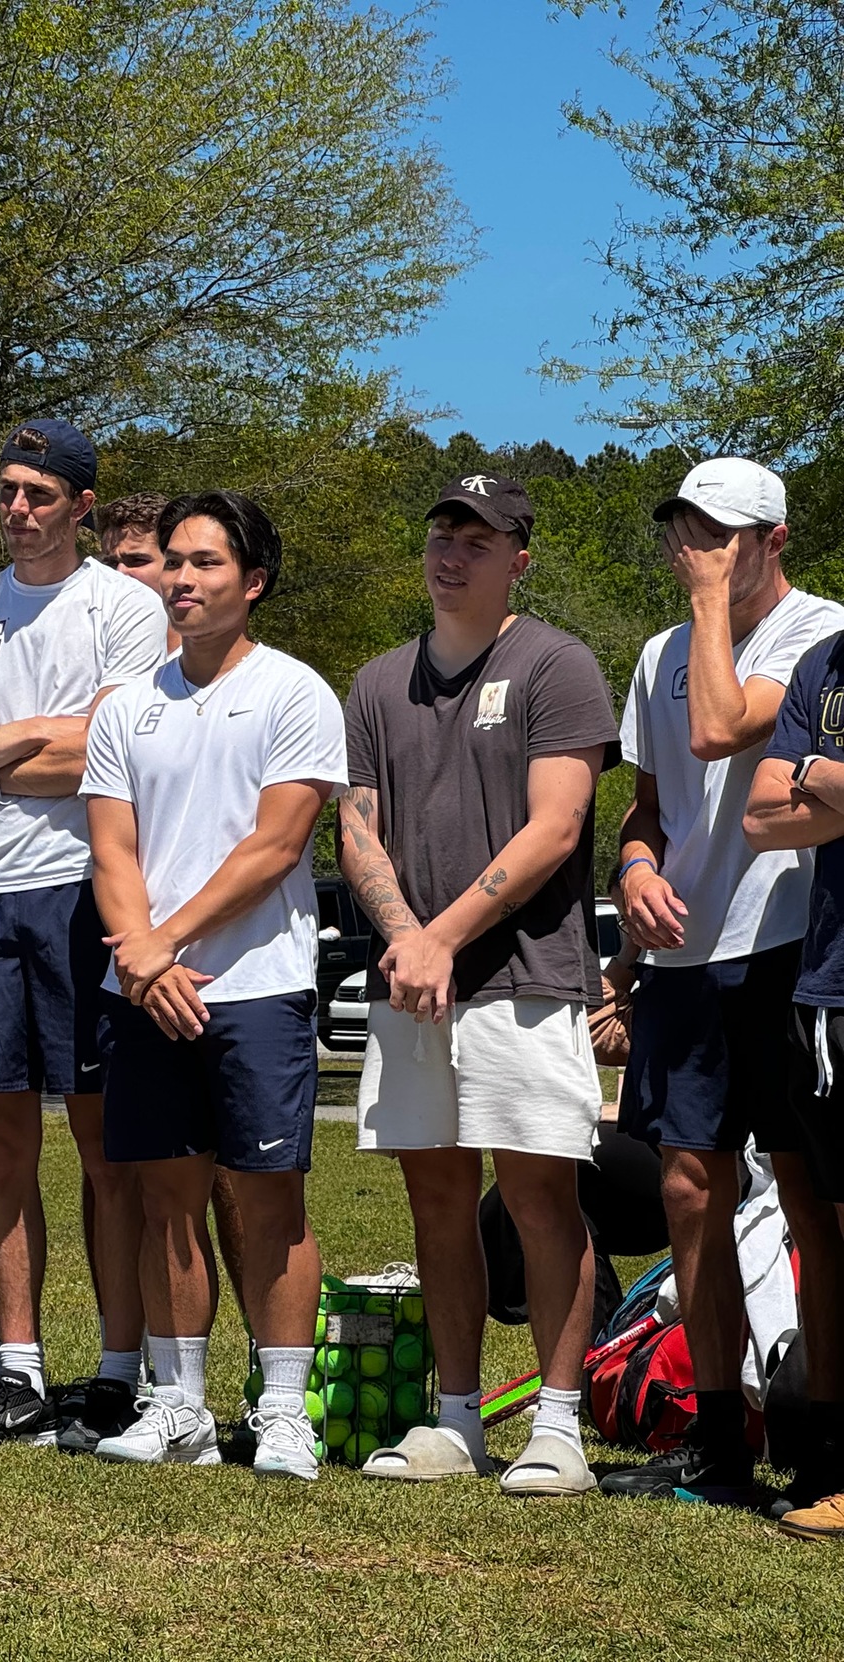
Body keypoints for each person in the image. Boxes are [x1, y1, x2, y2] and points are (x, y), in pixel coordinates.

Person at [337, 473, 614, 1493]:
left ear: (518, 560)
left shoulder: (558, 664)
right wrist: (410, 939)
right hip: (418, 982)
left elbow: (558, 827)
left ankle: (559, 1427)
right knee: (437, 1199)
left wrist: (444, 935)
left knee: (540, 1197)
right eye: (441, 533)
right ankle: (456, 1422)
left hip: (526, 978)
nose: (452, 553)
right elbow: (357, 820)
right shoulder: (374, 683)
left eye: (479, 540)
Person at [0, 419, 170, 1443]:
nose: (17, 510)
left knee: (104, 1145)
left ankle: (115, 1367)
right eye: (7, 490)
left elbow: (114, 747)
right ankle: (17, 1370)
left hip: (81, 889)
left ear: (82, 506)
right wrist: (29, 744)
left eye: (39, 494)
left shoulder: (125, 607)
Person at [82, 490, 344, 1478]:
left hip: (256, 988)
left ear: (253, 582)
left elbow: (275, 846)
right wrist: (140, 959)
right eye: (174, 564)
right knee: (164, 1203)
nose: (183, 582)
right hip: (145, 992)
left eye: (207, 564)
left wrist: (161, 944)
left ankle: (282, 1410)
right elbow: (112, 850)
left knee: (270, 1202)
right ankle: (178, 1402)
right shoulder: (129, 706)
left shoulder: (294, 694)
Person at [605, 458, 844, 1505]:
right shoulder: (655, 651)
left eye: (720, 532)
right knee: (688, 1189)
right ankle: (715, 1436)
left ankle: (826, 1437)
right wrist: (637, 870)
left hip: (789, 946)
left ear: (773, 538)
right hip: (684, 960)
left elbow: (719, 724)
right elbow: (654, 799)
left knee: (809, 1195)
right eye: (684, 530)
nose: (693, 548)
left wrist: (710, 602)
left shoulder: (816, 635)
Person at [738, 623, 844, 1539]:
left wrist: (815, 773)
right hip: (828, 992)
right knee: (831, 1233)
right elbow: (759, 814)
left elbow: (794, 789)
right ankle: (830, 1459)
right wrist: (810, 775)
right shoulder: (824, 665)